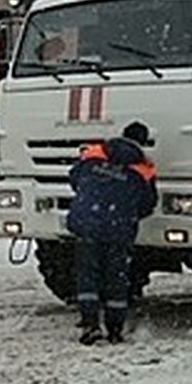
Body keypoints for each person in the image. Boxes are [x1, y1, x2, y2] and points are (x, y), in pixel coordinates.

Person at [67, 120, 158, 346]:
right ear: (142, 142)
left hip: (87, 224)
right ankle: (115, 330)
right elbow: (148, 204)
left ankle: (90, 325)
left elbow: (74, 179)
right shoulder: (143, 169)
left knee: (88, 275)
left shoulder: (93, 155)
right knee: (116, 279)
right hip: (118, 230)